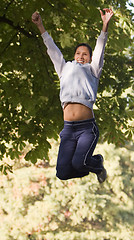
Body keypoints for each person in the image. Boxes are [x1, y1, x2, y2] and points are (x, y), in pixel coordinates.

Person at [32, 8, 114, 183]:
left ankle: (97, 164)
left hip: (86, 128)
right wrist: (40, 25)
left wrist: (105, 25)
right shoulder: (64, 68)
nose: (81, 56)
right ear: (74, 56)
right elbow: (52, 49)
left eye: (85, 54)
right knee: (62, 172)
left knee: (80, 162)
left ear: (90, 58)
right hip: (68, 129)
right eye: (78, 53)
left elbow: (101, 47)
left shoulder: (93, 70)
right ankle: (89, 165)